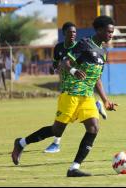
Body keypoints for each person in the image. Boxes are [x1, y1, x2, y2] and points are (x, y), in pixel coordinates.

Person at [11, 15, 117, 177]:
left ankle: (74, 168)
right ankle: (21, 143)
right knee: (56, 130)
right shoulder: (84, 44)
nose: (111, 35)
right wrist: (74, 71)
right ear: (99, 30)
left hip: (87, 96)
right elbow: (64, 63)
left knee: (94, 128)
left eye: (112, 32)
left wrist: (105, 100)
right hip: (71, 93)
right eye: (109, 32)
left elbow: (98, 79)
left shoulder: (103, 52)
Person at [45, 21, 107, 153]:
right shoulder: (58, 48)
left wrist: (73, 70)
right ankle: (96, 104)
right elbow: (56, 63)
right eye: (70, 32)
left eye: (74, 32)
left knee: (63, 117)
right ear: (64, 34)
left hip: (77, 86)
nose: (73, 34)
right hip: (65, 84)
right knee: (65, 116)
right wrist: (54, 67)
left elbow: (84, 66)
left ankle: (56, 144)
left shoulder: (79, 47)